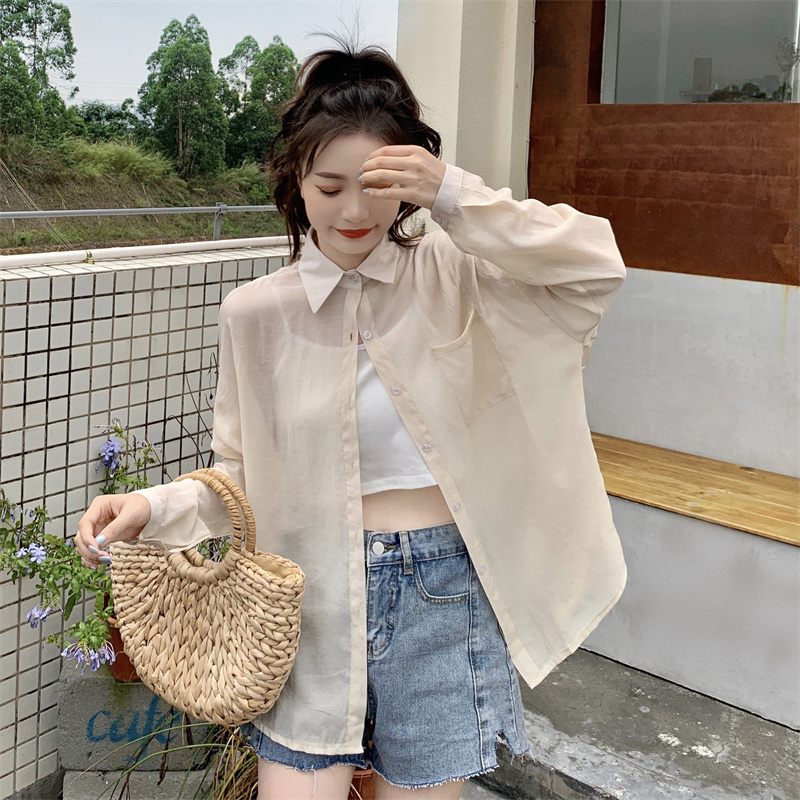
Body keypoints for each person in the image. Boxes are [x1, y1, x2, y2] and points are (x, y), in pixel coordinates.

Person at [76, 41, 628, 800]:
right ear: (295, 184)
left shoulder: (459, 274)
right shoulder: (254, 315)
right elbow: (240, 473)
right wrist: (152, 507)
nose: (354, 211)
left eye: (376, 185)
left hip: (444, 591)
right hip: (309, 596)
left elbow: (593, 266)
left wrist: (453, 194)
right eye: (329, 186)